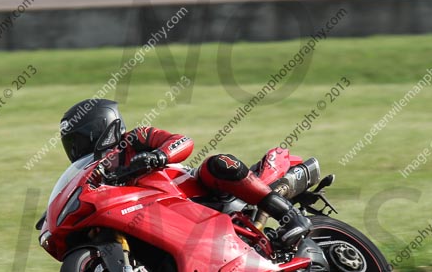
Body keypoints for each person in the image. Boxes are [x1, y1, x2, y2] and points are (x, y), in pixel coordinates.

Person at [60, 99, 312, 247]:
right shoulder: (98, 173)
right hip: (155, 218)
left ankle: (291, 217)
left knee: (217, 163)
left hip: (193, 192)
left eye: (82, 140)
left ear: (103, 127)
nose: (78, 149)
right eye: (72, 144)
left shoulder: (135, 138)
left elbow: (183, 141)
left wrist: (160, 155)